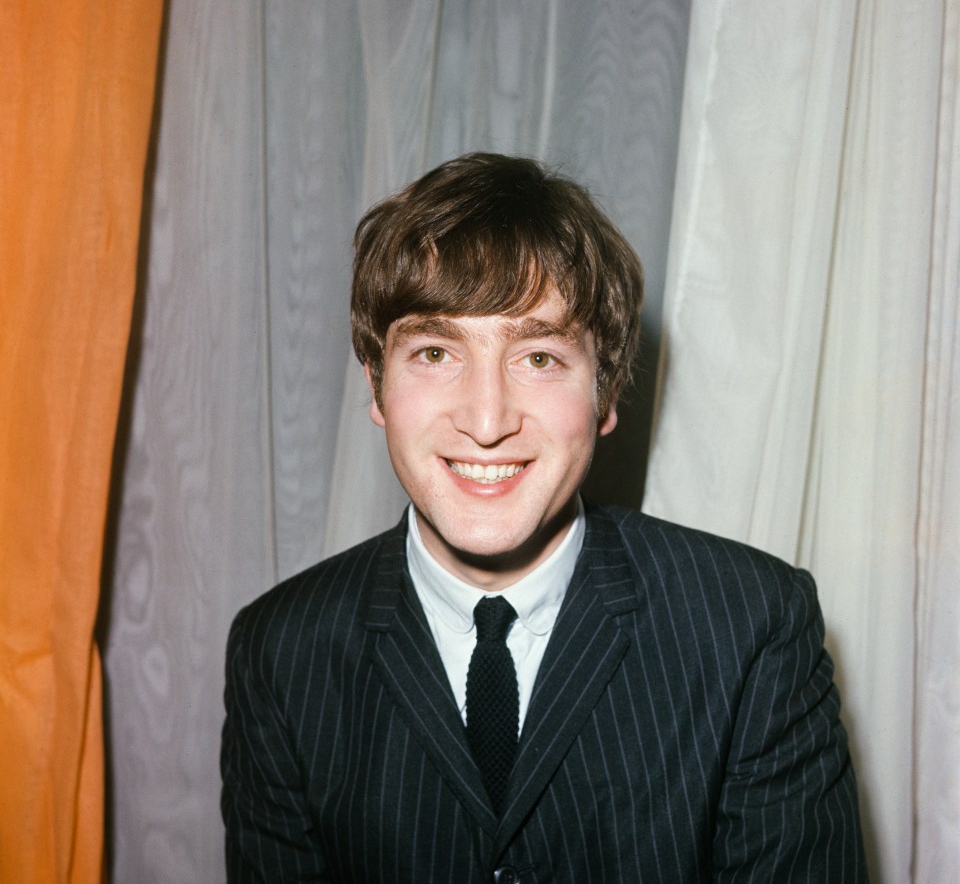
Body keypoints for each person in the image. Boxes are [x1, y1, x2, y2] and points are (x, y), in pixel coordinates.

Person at [221, 152, 867, 883]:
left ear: (607, 392)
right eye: (435, 351)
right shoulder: (278, 654)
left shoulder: (752, 628)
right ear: (376, 385)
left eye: (539, 358)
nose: (487, 419)